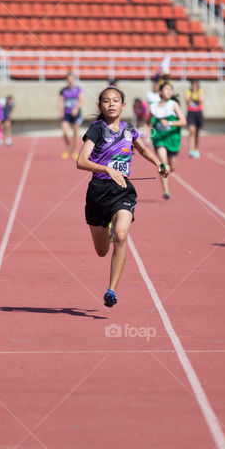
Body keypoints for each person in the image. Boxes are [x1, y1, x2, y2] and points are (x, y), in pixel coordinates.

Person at [76, 86, 169, 308]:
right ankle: (105, 229)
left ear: (123, 105)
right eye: (106, 101)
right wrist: (107, 169)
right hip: (98, 192)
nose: (111, 104)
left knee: (122, 234)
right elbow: (80, 161)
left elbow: (144, 149)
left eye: (115, 100)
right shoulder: (97, 129)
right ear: (100, 106)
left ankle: (112, 290)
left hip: (122, 190)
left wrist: (159, 163)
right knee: (101, 252)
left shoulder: (129, 130)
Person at [149, 82, 186, 200]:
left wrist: (169, 123)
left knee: (172, 167)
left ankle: (169, 171)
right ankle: (166, 190)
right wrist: (146, 131)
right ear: (160, 92)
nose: (169, 91)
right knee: (163, 163)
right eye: (166, 89)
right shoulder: (154, 106)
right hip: (159, 138)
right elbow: (148, 121)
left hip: (173, 139)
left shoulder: (173, 104)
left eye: (171, 89)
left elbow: (183, 121)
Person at [58, 72, 83, 160]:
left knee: (75, 133)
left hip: (76, 114)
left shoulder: (78, 89)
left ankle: (75, 151)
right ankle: (69, 147)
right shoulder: (63, 90)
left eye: (71, 79)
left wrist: (76, 108)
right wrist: (61, 111)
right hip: (66, 113)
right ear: (66, 80)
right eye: (68, 79)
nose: (70, 81)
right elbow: (61, 102)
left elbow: (81, 101)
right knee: (65, 131)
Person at [184, 79, 204, 158]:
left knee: (197, 133)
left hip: (198, 112)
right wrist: (192, 95)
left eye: (195, 84)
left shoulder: (200, 91)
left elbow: (201, 100)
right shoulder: (188, 91)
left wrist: (196, 93)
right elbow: (187, 100)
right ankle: (191, 149)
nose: (194, 86)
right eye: (193, 84)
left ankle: (196, 148)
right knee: (192, 131)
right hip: (191, 112)